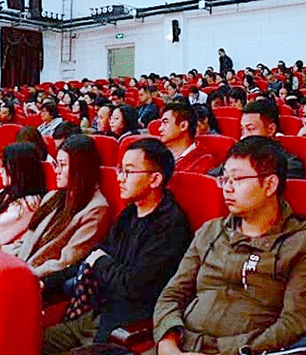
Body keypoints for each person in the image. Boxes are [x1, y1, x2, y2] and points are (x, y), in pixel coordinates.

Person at [154, 136, 306, 355]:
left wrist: (222, 351)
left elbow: (293, 324)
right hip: (180, 346)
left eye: (237, 179)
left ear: (270, 185)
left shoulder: (302, 245)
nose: (227, 188)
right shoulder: (210, 231)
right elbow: (172, 294)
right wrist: (168, 342)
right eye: (224, 179)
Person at [41, 138, 193, 353]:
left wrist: (101, 262)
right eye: (120, 170)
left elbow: (132, 285)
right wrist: (46, 283)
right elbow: (93, 256)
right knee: (27, 341)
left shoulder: (170, 226)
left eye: (128, 172)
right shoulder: (130, 213)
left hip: (125, 325)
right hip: (99, 314)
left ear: (155, 179)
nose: (119, 178)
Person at [3, 135, 111, 280]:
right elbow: (26, 241)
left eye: (62, 165)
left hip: (43, 279)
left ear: (80, 168)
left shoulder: (96, 209)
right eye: (56, 164)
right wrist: (2, 258)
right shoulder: (52, 196)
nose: (56, 171)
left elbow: (66, 260)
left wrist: (26, 275)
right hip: (20, 268)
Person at [159, 102, 216, 173]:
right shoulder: (159, 153)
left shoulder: (202, 160)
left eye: (165, 123)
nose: (160, 129)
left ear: (183, 126)